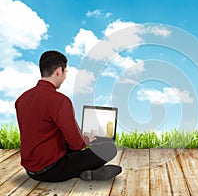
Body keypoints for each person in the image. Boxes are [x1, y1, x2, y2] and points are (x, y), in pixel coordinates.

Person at [15, 50, 122, 182]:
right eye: (65, 72)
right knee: (108, 148)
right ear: (59, 71)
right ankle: (87, 173)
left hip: (31, 170)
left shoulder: (21, 99)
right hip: (53, 170)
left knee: (68, 145)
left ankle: (84, 172)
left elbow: (39, 133)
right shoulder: (60, 101)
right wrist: (87, 139)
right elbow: (77, 145)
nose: (65, 76)